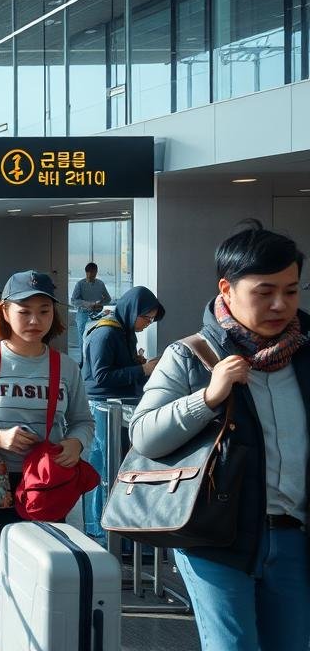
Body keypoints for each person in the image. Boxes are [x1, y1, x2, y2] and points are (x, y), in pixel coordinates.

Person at [131, 222, 310, 650]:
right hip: (216, 537)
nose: (280, 304)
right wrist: (207, 397)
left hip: (293, 537)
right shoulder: (191, 355)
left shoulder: (304, 354)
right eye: (264, 292)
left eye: (291, 289)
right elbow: (143, 435)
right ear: (226, 290)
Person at [0, 270, 94, 651]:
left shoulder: (65, 367)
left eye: (44, 311)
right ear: (4, 313)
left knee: (43, 565)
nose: (34, 321)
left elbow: (82, 419)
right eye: (24, 311)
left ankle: (34, 639)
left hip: (46, 486)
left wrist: (77, 442)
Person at [80, 286, 165, 544]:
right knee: (106, 469)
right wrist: (142, 371)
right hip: (103, 405)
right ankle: (101, 531)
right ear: (132, 311)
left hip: (114, 404)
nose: (147, 324)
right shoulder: (106, 332)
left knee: (106, 467)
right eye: (146, 318)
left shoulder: (122, 331)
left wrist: (136, 364)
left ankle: (104, 530)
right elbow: (100, 376)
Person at [71, 262, 111, 351]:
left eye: (93, 274)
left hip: (97, 314)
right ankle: (82, 362)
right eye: (89, 274)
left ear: (96, 272)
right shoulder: (80, 284)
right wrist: (88, 304)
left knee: (96, 338)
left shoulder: (100, 284)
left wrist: (100, 304)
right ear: (86, 272)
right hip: (83, 314)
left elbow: (108, 299)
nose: (91, 276)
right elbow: (73, 300)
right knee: (82, 339)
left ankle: (93, 359)